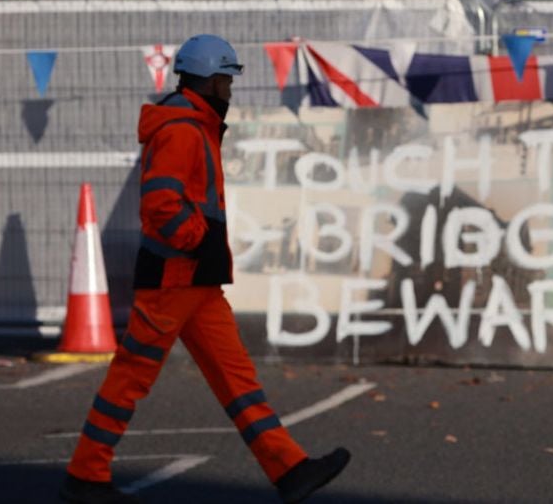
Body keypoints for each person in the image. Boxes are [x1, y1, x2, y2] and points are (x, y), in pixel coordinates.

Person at [59, 34, 350, 504]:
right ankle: (84, 476)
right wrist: (197, 240)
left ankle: (291, 470)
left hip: (195, 281)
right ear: (211, 80)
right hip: (175, 279)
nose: (230, 91)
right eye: (227, 81)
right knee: (131, 377)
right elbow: (161, 203)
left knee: (237, 380)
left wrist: (202, 250)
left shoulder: (194, 124)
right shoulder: (182, 129)